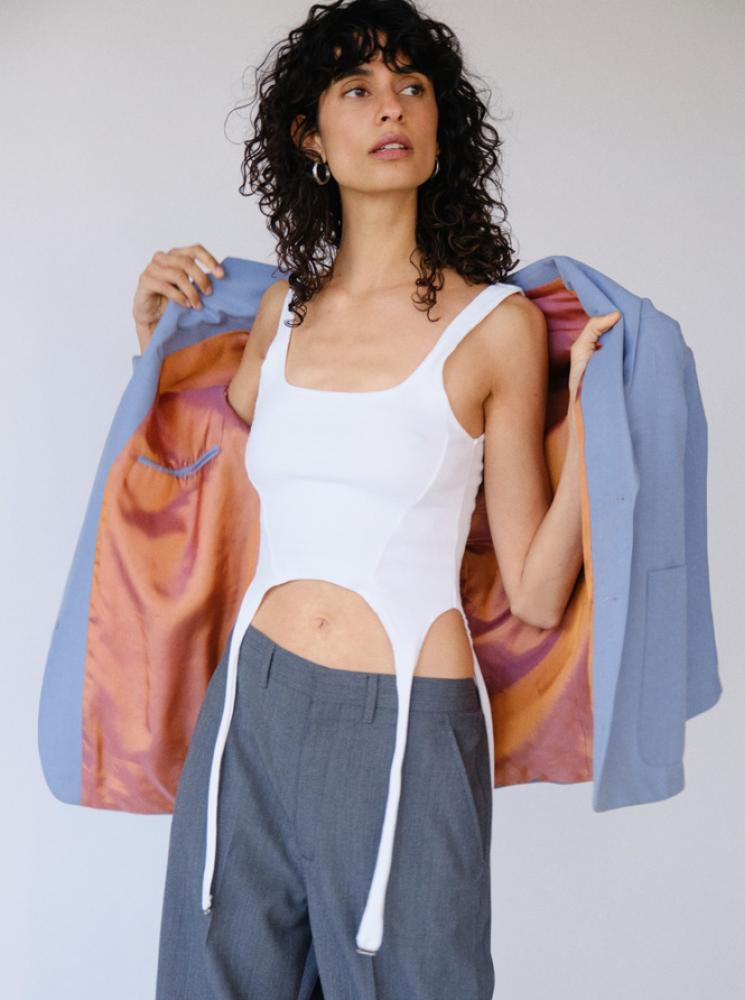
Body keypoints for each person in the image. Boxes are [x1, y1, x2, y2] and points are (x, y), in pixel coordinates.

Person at [133, 2, 617, 997]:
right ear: (310, 135)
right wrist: (151, 331)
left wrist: (595, 431)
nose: (390, 106)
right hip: (251, 705)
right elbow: (206, 458)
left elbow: (534, 589)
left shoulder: (496, 327)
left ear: (441, 126)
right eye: (357, 88)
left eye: (412, 86)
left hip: (405, 717)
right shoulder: (283, 313)